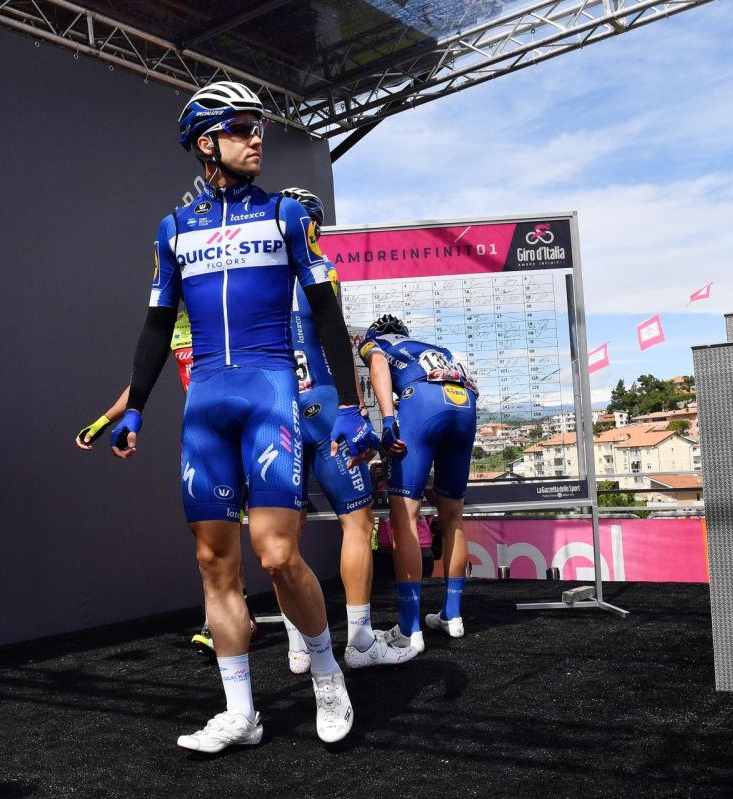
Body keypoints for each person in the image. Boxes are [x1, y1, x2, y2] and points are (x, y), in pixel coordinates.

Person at [109, 81, 378, 753]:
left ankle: (326, 673)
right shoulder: (174, 230)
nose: (256, 137)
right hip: (207, 403)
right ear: (206, 143)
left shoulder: (286, 214)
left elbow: (327, 313)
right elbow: (156, 325)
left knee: (277, 554)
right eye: (240, 127)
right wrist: (136, 406)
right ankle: (241, 713)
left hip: (269, 391)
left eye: (258, 126)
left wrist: (350, 405)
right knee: (213, 562)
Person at [276, 187, 416, 674]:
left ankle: (298, 644)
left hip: (277, 412)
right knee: (357, 524)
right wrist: (356, 410)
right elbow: (333, 340)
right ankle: (359, 642)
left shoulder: (253, 278)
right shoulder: (320, 268)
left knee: (283, 537)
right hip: (324, 404)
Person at [75, 309, 255, 655]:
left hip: (248, 427)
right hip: (206, 436)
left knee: (268, 540)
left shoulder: (227, 308)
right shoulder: (174, 323)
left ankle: (302, 636)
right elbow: (142, 383)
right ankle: (227, 616)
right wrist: (102, 422)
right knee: (214, 532)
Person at [360, 314, 477, 652]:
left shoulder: (375, 342)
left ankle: (410, 628)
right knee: (453, 517)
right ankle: (452, 615)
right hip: (464, 405)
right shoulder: (436, 348)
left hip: (422, 402)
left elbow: (378, 365)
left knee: (405, 518)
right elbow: (471, 385)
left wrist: (389, 419)